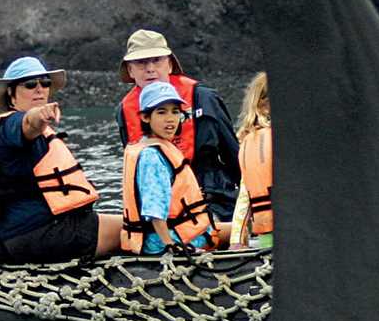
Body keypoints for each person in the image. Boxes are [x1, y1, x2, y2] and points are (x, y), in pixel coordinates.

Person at [0, 56, 119, 263]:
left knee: (129, 222)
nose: (39, 89)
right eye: (30, 84)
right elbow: (29, 123)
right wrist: (39, 115)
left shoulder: (36, 132)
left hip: (43, 229)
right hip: (34, 234)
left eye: (44, 83)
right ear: (11, 94)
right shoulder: (10, 124)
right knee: (133, 229)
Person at [117, 29, 241, 235]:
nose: (150, 69)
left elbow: (234, 156)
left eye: (156, 60)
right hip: (161, 209)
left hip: (212, 198)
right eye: (141, 63)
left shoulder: (203, 98)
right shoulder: (124, 110)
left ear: (170, 65)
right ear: (130, 71)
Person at [120, 81, 216, 254]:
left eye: (175, 111)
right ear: (145, 117)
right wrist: (170, 245)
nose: (170, 119)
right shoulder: (152, 156)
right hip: (166, 240)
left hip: (176, 232)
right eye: (161, 112)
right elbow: (154, 210)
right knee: (234, 232)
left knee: (231, 230)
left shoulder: (152, 146)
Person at [227, 71, 273, 249]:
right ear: (263, 106)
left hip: (268, 233)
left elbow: (244, 198)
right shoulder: (283, 140)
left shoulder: (249, 142)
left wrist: (236, 238)